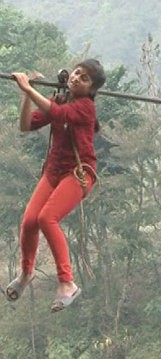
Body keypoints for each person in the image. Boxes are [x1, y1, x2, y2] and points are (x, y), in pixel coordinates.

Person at [5, 59, 106, 312]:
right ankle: (26, 273)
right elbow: (26, 125)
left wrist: (29, 88)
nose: (75, 78)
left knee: (46, 218)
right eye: (76, 73)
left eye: (84, 79)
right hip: (53, 171)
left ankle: (67, 282)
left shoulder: (85, 107)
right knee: (29, 220)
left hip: (78, 172)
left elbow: (59, 115)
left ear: (91, 90)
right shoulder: (62, 100)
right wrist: (27, 95)